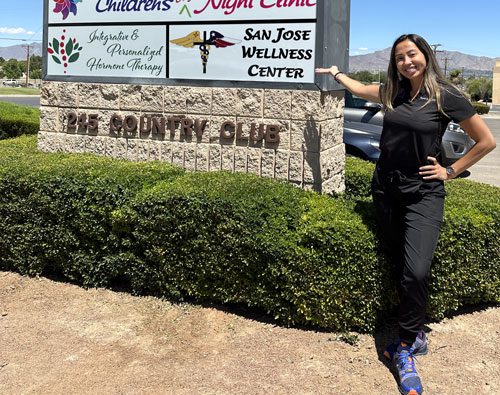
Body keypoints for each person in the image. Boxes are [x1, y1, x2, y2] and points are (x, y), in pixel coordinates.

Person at [316, 33, 496, 395]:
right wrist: (337, 74)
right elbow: (361, 87)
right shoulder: (393, 92)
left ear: (425, 56)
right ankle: (412, 331)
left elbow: (486, 141)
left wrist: (451, 170)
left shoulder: (447, 96)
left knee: (416, 270)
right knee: (399, 261)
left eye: (411, 55)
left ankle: (404, 345)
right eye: (399, 58)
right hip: (385, 188)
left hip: (423, 194)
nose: (405, 62)